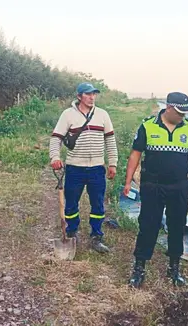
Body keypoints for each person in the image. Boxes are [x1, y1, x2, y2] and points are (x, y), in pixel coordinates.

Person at [123, 92, 188, 288]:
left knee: (177, 226)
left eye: (185, 112)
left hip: (179, 186)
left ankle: (174, 267)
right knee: (148, 225)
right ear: (169, 108)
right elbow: (135, 155)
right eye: (179, 112)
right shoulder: (148, 125)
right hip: (152, 186)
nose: (182, 116)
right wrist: (128, 182)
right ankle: (139, 268)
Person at [49, 82, 118, 253]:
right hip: (75, 168)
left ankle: (96, 236)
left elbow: (110, 140)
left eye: (94, 94)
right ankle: (72, 233)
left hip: (96, 169)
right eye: (88, 94)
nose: (92, 97)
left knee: (98, 205)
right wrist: (55, 157)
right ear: (79, 96)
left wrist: (113, 163)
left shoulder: (103, 115)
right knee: (71, 203)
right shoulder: (67, 115)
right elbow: (56, 138)